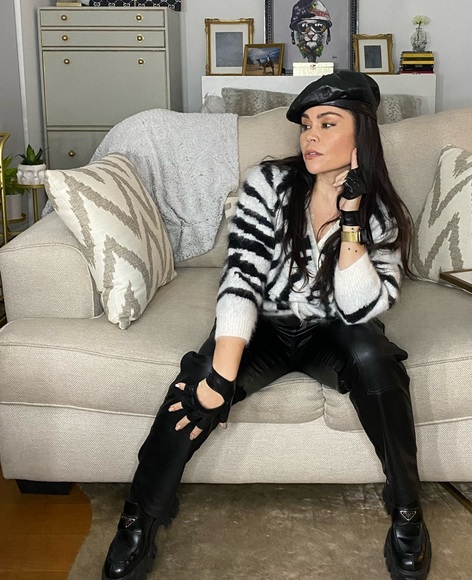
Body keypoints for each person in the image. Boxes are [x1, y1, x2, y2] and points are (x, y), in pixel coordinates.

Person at [102, 71, 432, 580]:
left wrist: (350, 220)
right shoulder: (268, 184)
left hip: (333, 329)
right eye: (306, 125)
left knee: (377, 359)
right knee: (198, 379)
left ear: (361, 136)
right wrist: (220, 376)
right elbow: (241, 279)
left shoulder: (381, 212)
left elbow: (360, 311)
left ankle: (407, 508)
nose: (310, 136)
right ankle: (140, 517)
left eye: (327, 123)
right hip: (266, 324)